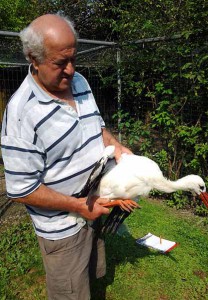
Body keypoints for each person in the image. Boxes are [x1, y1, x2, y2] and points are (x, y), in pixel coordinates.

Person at [1, 14, 132, 300]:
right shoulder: (22, 115)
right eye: (60, 63)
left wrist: (117, 147)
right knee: (69, 292)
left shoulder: (80, 82)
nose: (71, 70)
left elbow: (98, 128)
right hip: (64, 225)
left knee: (91, 276)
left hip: (94, 206)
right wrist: (78, 205)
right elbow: (22, 190)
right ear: (33, 58)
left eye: (74, 59)